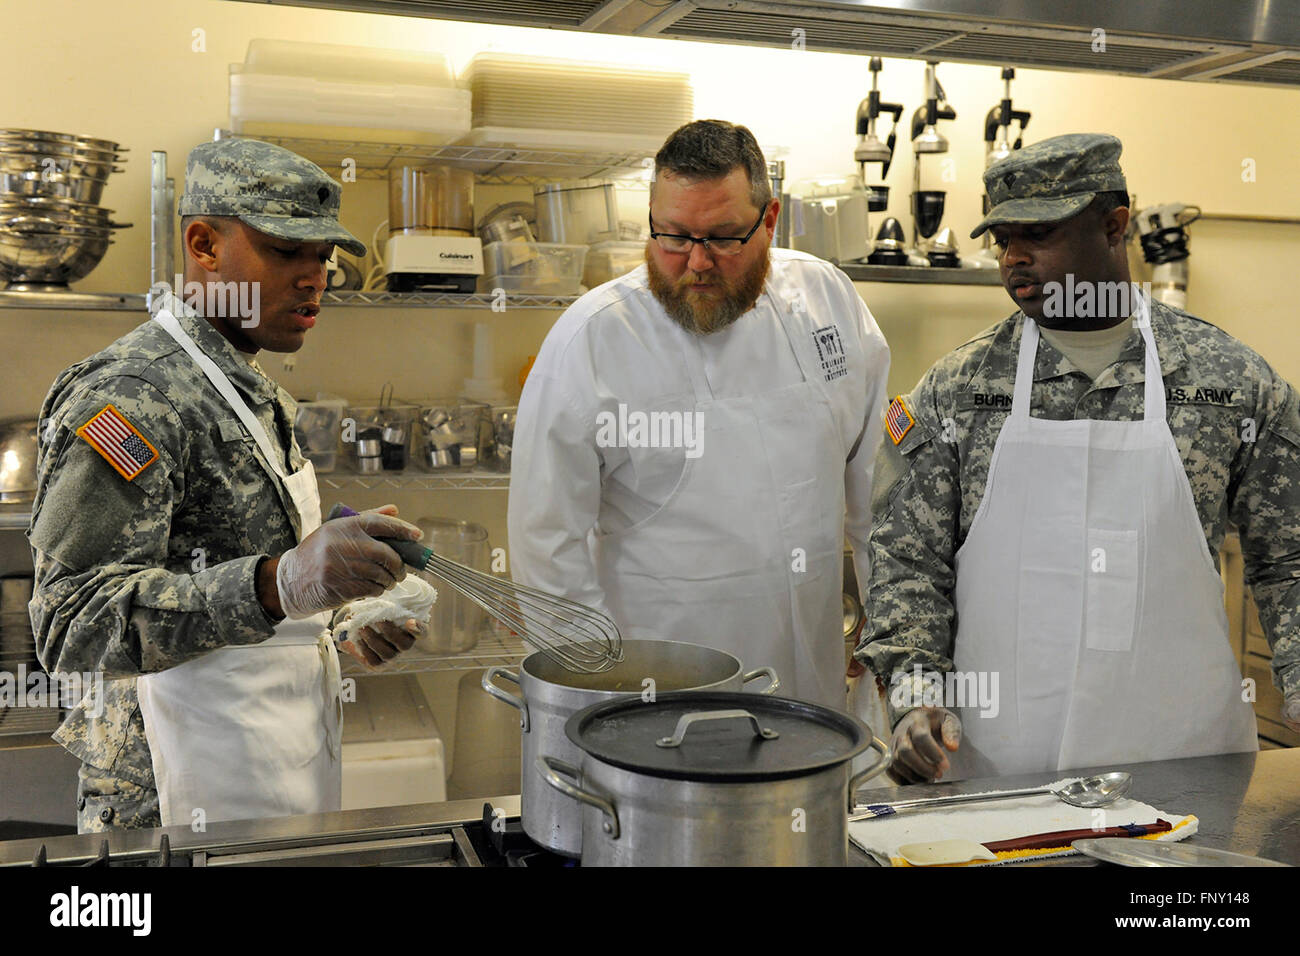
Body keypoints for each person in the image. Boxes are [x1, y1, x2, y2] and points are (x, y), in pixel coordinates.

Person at [858, 132, 1300, 784]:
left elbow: (1290, 558)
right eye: (1002, 239)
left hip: (1185, 774)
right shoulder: (960, 392)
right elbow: (906, 566)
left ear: (1115, 225)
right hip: (998, 779)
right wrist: (915, 698)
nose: (1015, 258)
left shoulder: (1227, 384)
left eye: (1037, 234)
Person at [27, 139, 427, 832]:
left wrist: (339, 615)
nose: (315, 279)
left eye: (323, 258)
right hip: (167, 802)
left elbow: (254, 572)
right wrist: (281, 583)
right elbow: (71, 628)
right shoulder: (131, 399)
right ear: (204, 245)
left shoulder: (254, 394)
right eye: (284, 251)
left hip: (268, 773)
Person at [507, 120, 890, 709]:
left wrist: (889, 626)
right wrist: (598, 701)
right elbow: (546, 548)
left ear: (769, 220)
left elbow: (876, 491)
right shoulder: (593, 339)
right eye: (674, 237)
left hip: (809, 683)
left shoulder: (826, 301)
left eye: (722, 239)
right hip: (656, 698)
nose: (697, 263)